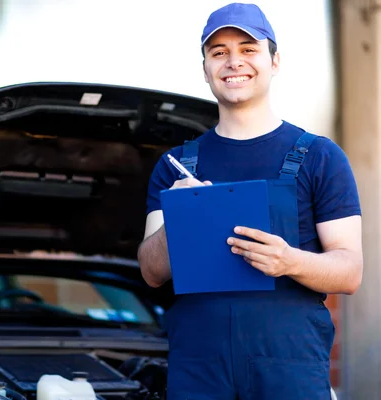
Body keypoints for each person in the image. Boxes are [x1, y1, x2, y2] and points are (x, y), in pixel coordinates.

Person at [137, 3, 363, 399]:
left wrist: (288, 260)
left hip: (289, 372)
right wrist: (179, 216)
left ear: (274, 61)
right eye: (218, 52)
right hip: (199, 373)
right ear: (205, 68)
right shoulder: (175, 166)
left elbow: (349, 271)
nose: (233, 62)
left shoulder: (318, 157)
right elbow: (151, 272)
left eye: (248, 48)